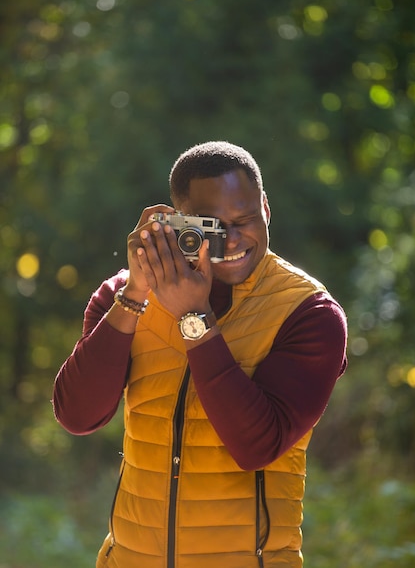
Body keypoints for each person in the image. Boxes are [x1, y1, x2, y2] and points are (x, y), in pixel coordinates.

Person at [53, 141, 347, 568]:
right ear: (179, 220)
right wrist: (136, 293)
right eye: (210, 225)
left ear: (265, 208)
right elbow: (77, 416)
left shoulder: (309, 312)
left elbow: (257, 445)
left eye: (244, 220)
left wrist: (195, 318)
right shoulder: (125, 296)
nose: (230, 240)